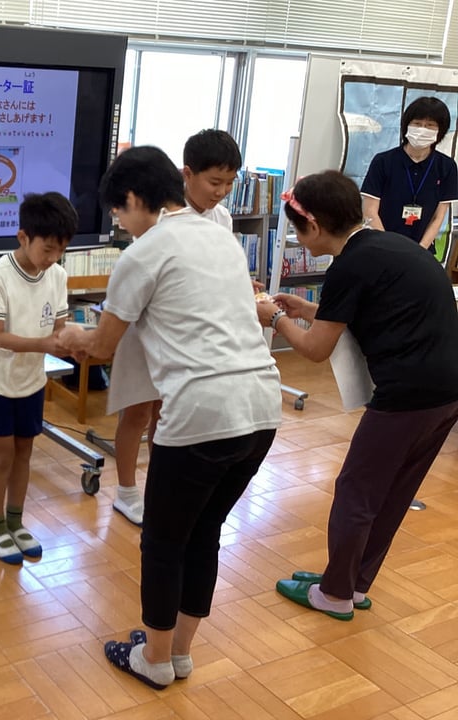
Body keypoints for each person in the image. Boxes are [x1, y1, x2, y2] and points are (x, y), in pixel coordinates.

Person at [60, 147, 281, 689]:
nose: (120, 222)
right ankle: (178, 652)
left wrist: (71, 336)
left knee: (163, 541)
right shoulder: (221, 236)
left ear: (136, 199)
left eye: (119, 211)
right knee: (204, 532)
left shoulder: (143, 253)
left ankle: (153, 661)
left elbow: (103, 347)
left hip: (202, 414)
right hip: (261, 406)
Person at [258, 170, 458, 620]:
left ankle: (334, 594)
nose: (297, 238)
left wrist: (274, 319)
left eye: (297, 229)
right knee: (392, 493)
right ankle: (352, 584)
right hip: (447, 392)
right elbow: (370, 310)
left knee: (356, 491)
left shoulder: (349, 265)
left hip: (407, 395)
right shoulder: (387, 247)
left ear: (314, 226)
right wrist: (307, 309)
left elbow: (315, 350)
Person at [109, 129, 247, 526]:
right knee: (138, 408)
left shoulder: (221, 219)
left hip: (189, 333)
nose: (221, 192)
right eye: (214, 181)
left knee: (168, 411)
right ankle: (126, 491)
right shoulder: (157, 209)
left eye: (229, 183)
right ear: (187, 175)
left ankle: (159, 486)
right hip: (149, 320)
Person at [0, 191, 76, 564]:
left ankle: (16, 521)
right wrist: (47, 344)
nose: (53, 258)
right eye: (47, 249)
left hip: (31, 381)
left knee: (25, 452)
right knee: (2, 456)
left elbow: (59, 329)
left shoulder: (57, 275)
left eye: (61, 250)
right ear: (23, 237)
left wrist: (74, 342)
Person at [361, 96, 458, 252]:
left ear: (440, 130)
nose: (422, 129)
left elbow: (438, 217)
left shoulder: (447, 167)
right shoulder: (383, 161)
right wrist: (389, 248)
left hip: (421, 251)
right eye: (417, 124)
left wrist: (418, 252)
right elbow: (369, 211)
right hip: (381, 247)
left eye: (430, 125)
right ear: (406, 125)